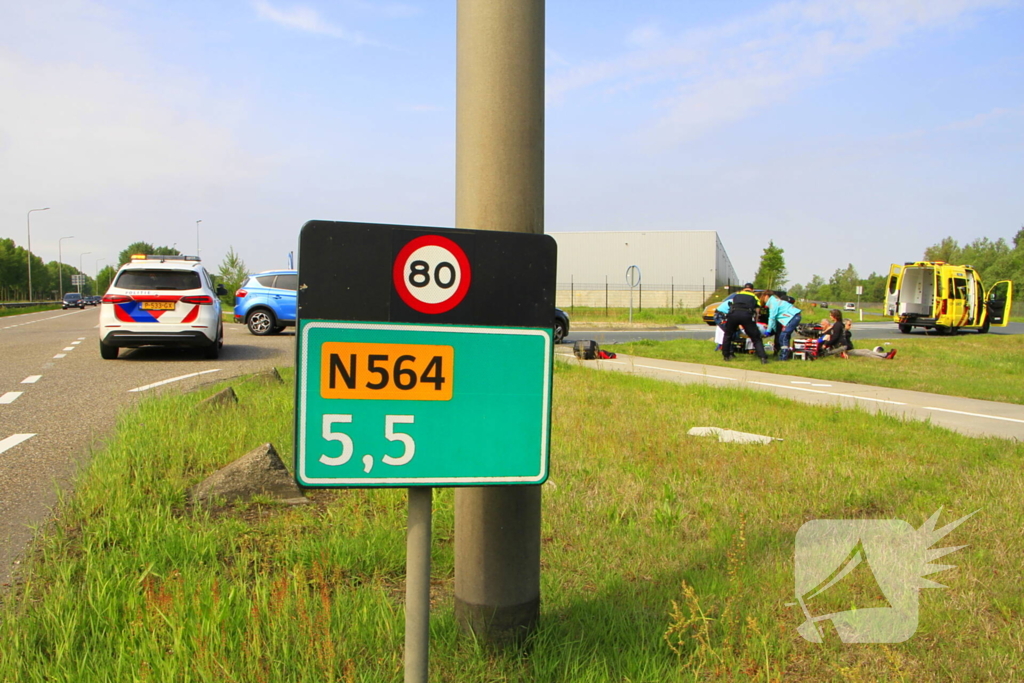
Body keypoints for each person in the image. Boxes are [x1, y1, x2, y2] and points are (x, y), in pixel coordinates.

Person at [721, 283, 768, 364]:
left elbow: (731, 304)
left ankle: (726, 356)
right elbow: (757, 310)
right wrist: (755, 322)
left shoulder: (736, 295)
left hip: (733, 315)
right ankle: (763, 358)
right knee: (756, 338)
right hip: (746, 316)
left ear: (743, 289)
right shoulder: (754, 296)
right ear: (752, 290)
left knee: (727, 335)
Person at [760, 290, 802, 360]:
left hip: (794, 316)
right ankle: (785, 354)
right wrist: (772, 328)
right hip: (795, 316)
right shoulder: (776, 301)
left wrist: (768, 331)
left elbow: (772, 318)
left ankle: (783, 357)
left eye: (763, 298)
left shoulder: (773, 303)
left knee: (783, 336)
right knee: (785, 336)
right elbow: (775, 319)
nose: (763, 300)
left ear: (766, 296)